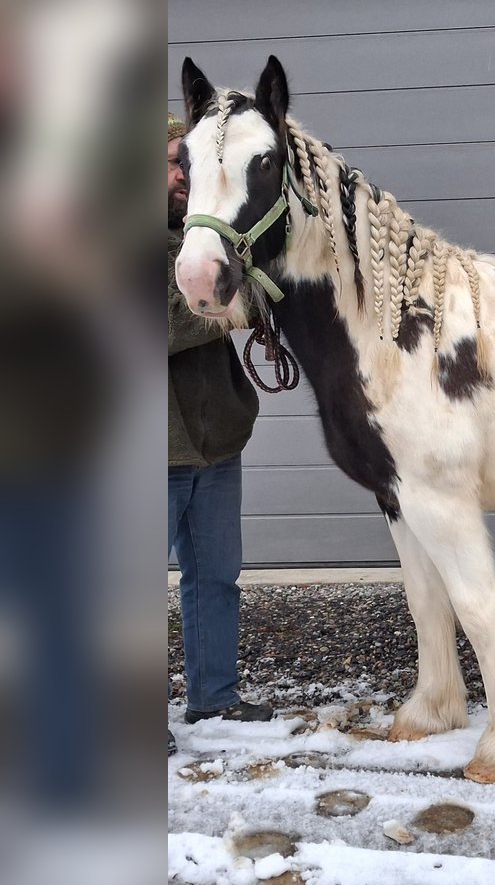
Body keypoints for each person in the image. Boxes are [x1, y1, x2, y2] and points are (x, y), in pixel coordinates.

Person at [168, 111, 271, 745]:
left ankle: (214, 697)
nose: (182, 175)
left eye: (188, 163)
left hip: (215, 441)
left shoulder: (206, 236)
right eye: (172, 163)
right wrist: (231, 307)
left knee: (216, 576)